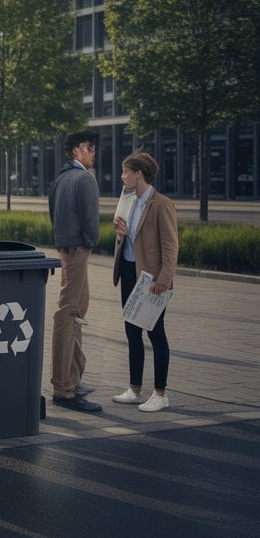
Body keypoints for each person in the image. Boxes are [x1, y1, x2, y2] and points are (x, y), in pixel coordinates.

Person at [110, 151, 178, 412]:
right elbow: (127, 240)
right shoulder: (128, 202)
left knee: (155, 332)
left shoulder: (162, 204)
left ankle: (160, 393)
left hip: (152, 280)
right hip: (128, 273)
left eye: (126, 171)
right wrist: (120, 235)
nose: (122, 176)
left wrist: (164, 279)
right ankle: (135, 389)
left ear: (139, 174)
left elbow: (171, 247)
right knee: (131, 331)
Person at [48, 131, 102, 413]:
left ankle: (73, 378)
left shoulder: (60, 178)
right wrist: (90, 242)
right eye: (90, 149)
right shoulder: (84, 179)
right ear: (78, 150)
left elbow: (51, 213)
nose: (94, 154)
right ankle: (64, 388)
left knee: (76, 312)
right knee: (70, 312)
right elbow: (92, 220)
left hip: (64, 246)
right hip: (78, 249)